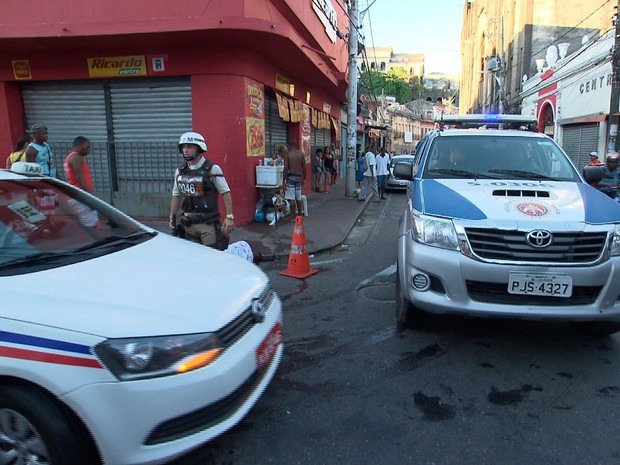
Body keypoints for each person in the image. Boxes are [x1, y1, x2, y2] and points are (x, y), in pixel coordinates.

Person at [169, 131, 234, 250]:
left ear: (199, 149)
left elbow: (225, 192)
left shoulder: (212, 169)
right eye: (183, 147)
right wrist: (172, 216)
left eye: (189, 147)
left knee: (212, 257)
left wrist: (229, 216)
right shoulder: (180, 170)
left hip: (207, 225)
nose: (185, 150)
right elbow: (176, 195)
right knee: (191, 257)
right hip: (188, 224)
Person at [63, 136, 99, 227]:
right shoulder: (76, 158)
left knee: (92, 224)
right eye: (87, 147)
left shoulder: (73, 157)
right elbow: (80, 179)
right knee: (94, 225)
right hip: (79, 196)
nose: (89, 149)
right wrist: (89, 197)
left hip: (77, 195)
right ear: (79, 145)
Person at [283, 138, 306, 217]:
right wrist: (304, 179)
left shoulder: (288, 155)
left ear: (289, 145)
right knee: (298, 198)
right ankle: (299, 215)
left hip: (291, 177)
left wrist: (283, 181)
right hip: (299, 177)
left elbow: (286, 168)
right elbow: (304, 167)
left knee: (292, 198)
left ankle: (293, 217)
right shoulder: (301, 154)